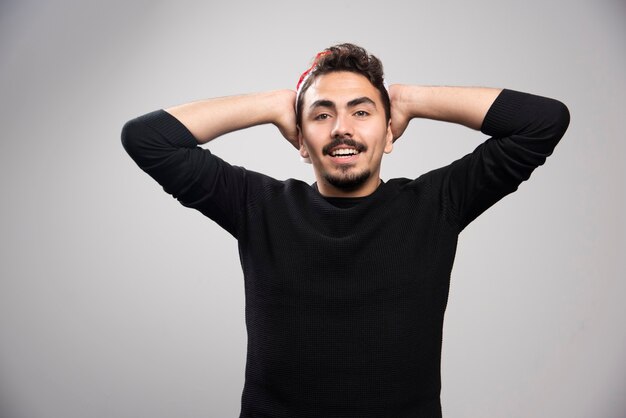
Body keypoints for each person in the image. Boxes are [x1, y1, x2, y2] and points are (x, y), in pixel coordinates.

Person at [121, 43, 570, 417]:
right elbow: (146, 138)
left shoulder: (436, 204)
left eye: (361, 112)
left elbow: (543, 121)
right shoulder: (256, 206)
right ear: (301, 139)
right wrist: (272, 104)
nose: (342, 129)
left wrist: (410, 98)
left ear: (389, 131)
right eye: (321, 115)